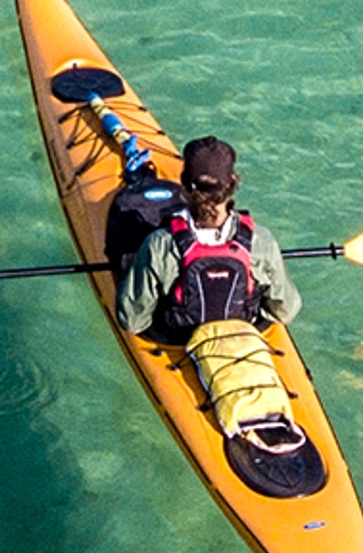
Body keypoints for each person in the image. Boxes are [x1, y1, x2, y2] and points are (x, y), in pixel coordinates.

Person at [114, 137, 309, 455]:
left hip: (180, 340)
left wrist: (132, 269)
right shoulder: (259, 241)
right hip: (243, 340)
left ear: (183, 186)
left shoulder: (160, 245)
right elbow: (285, 310)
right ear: (232, 184)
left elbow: (132, 320)